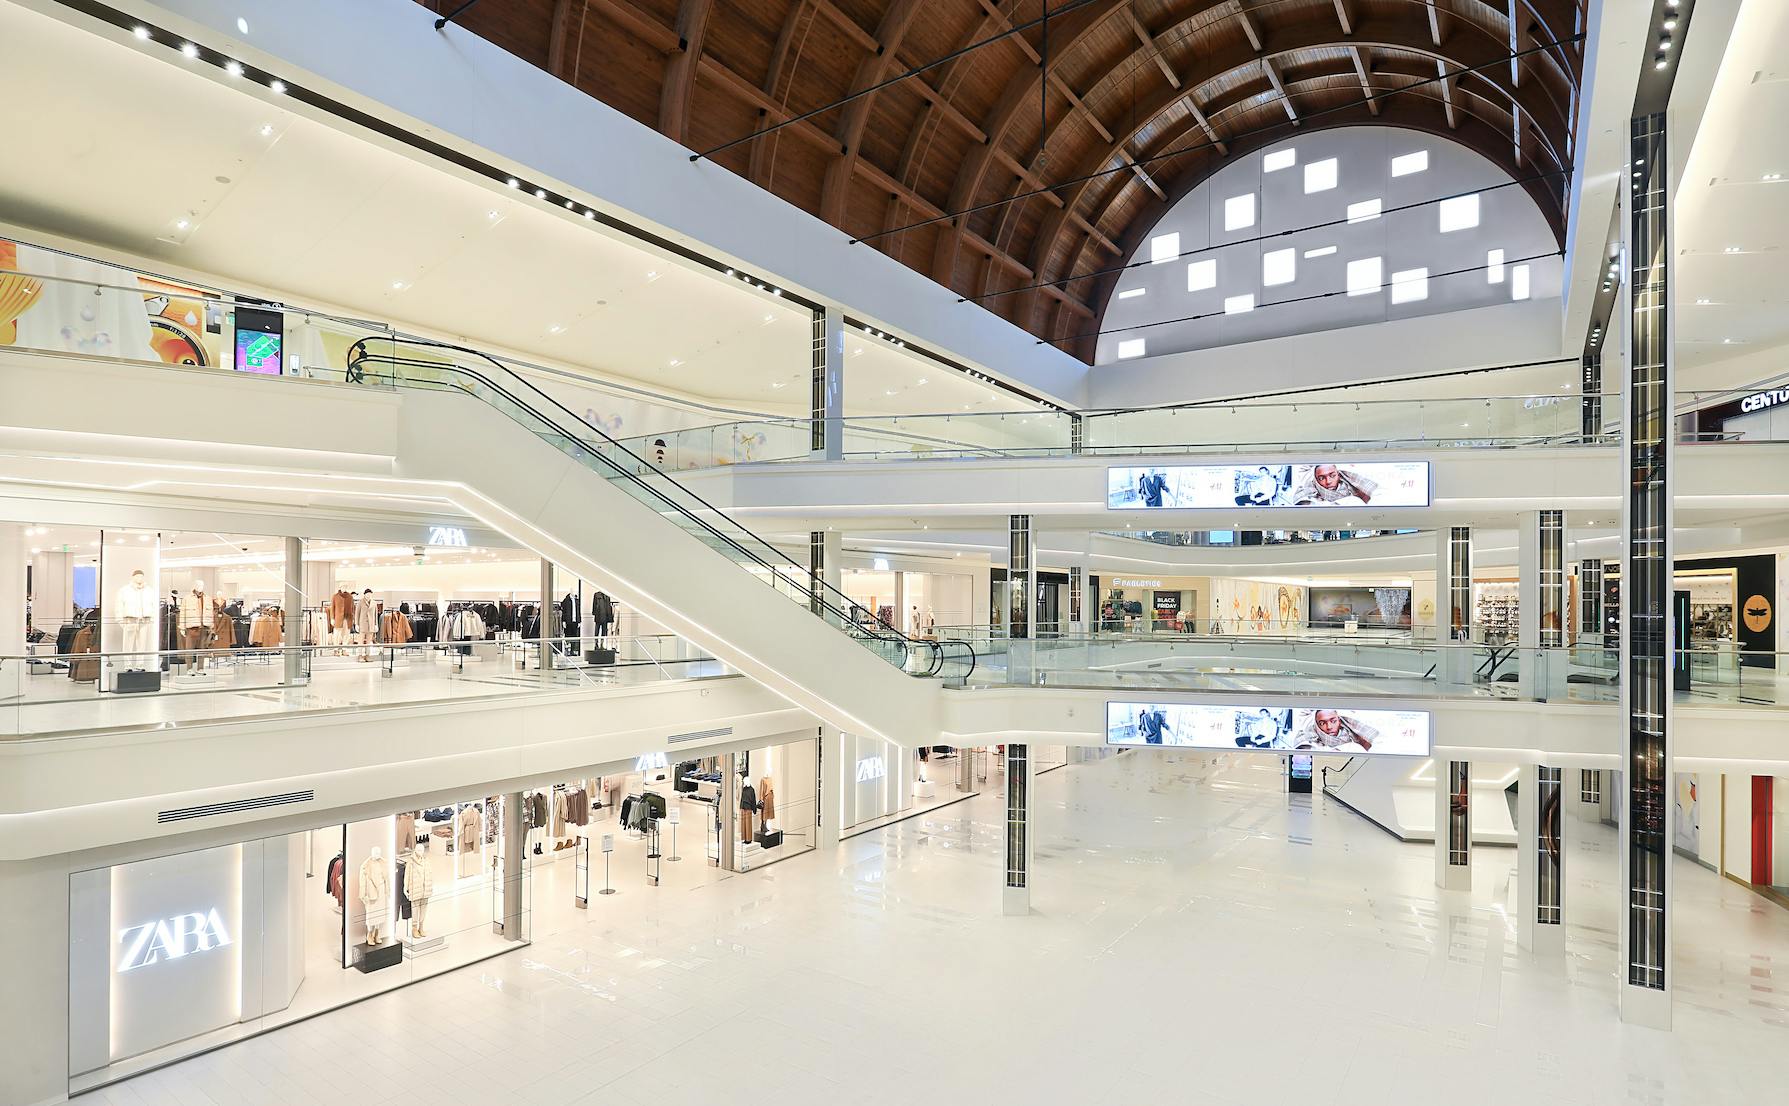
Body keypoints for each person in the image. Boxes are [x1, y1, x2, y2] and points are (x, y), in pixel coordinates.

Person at [1293, 709, 1378, 751]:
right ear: (1317, 725)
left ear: (1339, 721)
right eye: (1322, 723)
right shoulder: (1309, 742)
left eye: (1333, 721)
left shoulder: (1356, 737)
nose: (1329, 727)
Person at [1292, 464, 1376, 505]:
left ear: (1338, 475)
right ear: (1316, 480)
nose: (1328, 481)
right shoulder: (1308, 494)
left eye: (1332, 476)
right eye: (1321, 478)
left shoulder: (1355, 489)